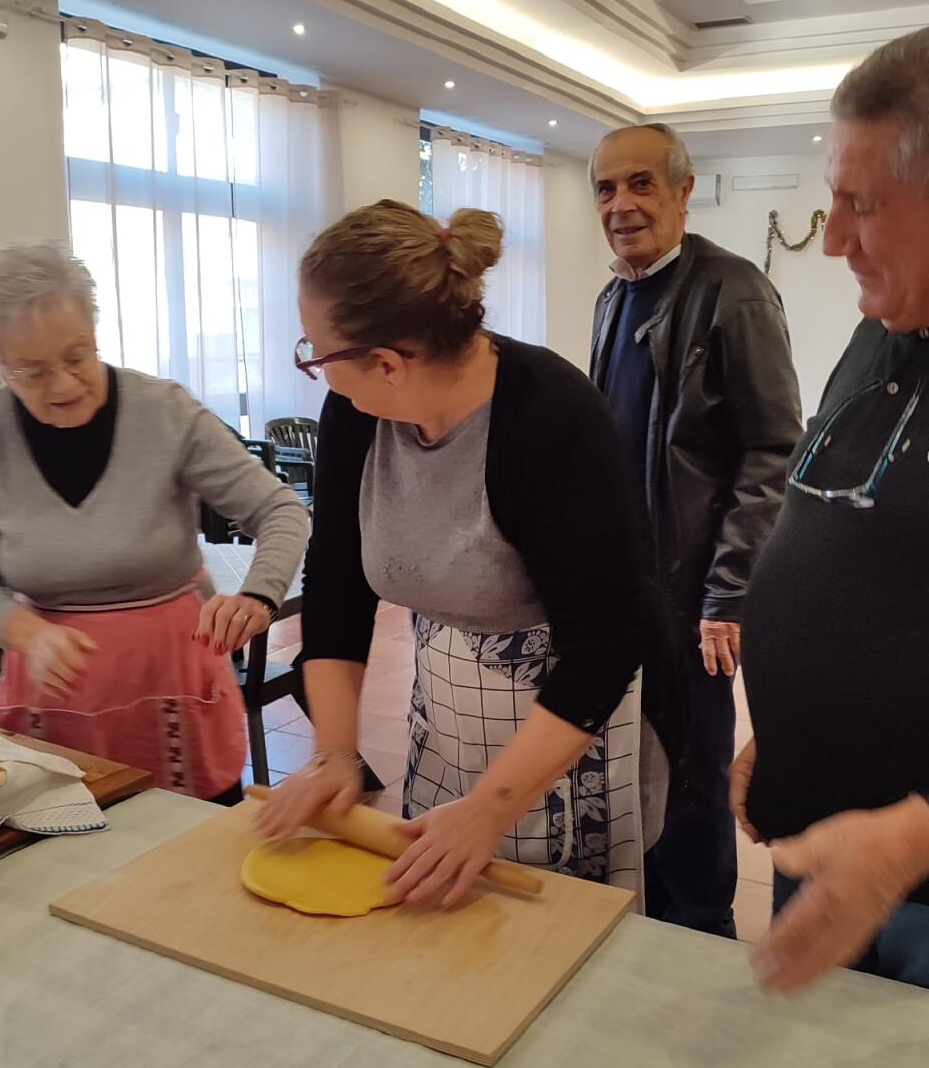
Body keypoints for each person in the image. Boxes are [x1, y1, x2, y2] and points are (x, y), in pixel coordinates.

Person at [732, 13, 929, 1013]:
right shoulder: (896, 318)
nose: (830, 241)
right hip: (826, 850)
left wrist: (918, 835)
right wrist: (787, 728)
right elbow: (868, 547)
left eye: (862, 204)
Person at [257, 200, 664, 908]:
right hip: (445, 708)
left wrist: (489, 809)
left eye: (315, 355)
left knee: (543, 928)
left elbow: (604, 647)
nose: (315, 372)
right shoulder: (358, 413)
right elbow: (336, 586)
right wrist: (333, 752)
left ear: (386, 363)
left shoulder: (551, 418)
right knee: (442, 910)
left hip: (565, 724)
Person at [0, 243, 310, 800]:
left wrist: (259, 594)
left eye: (77, 355)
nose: (63, 385)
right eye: (31, 371)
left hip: (173, 677)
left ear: (94, 332)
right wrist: (27, 634)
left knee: (193, 851)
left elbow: (279, 509)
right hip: (53, 692)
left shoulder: (162, 410)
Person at [589, 123, 803, 938]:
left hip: (694, 597)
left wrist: (728, 592)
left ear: (683, 190)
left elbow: (773, 449)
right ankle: (642, 918)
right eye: (606, 189)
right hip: (628, 590)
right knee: (631, 763)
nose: (622, 205)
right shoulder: (615, 295)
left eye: (641, 184)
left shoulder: (735, 291)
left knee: (693, 775)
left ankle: (701, 933)